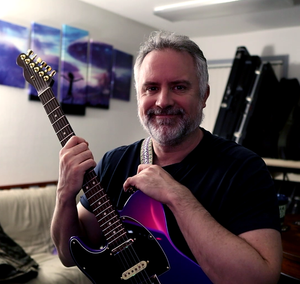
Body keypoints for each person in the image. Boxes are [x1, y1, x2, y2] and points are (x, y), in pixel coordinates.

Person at [51, 30, 282, 284]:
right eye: (151, 88)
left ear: (204, 95)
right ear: (139, 96)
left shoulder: (244, 169)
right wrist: (64, 193)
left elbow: (260, 279)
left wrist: (177, 196)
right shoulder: (113, 163)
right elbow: (69, 255)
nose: (162, 101)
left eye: (179, 86)